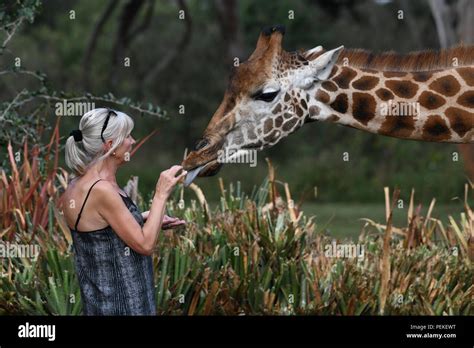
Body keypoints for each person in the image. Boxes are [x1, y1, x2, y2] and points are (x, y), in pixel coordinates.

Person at [62, 107, 186, 315]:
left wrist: (144, 218)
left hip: (100, 306)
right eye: (127, 135)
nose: (133, 141)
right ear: (111, 145)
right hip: (124, 306)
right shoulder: (101, 190)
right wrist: (161, 193)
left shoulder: (78, 184)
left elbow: (99, 232)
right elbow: (145, 245)